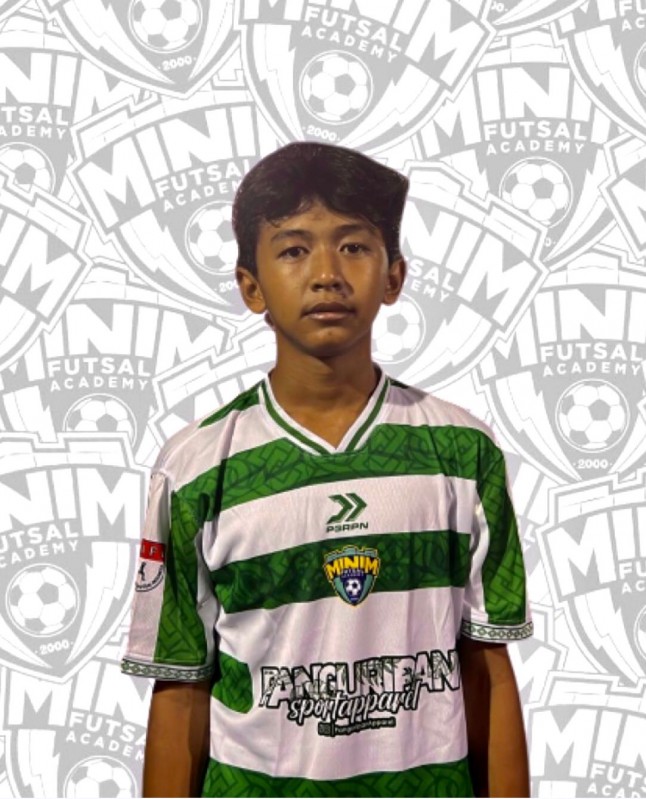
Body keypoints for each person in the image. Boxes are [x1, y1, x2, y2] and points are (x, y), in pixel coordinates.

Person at [122, 142, 532, 798]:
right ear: (250, 285)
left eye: (353, 246)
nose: (326, 274)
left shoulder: (463, 453)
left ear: (394, 276)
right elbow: (180, 688)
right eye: (293, 249)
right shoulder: (196, 470)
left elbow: (487, 667)